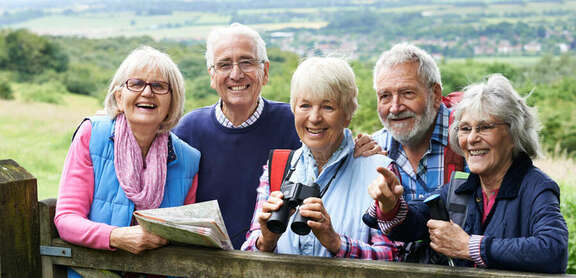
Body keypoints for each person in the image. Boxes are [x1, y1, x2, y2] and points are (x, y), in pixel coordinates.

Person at [173, 23, 379, 249]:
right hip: (205, 264)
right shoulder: (189, 130)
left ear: (265, 71)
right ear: (212, 75)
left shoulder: (297, 123)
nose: (236, 74)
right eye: (224, 65)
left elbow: (334, 143)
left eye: (246, 62)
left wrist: (362, 150)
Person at [367, 74, 568, 273]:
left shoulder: (535, 186)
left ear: (514, 133)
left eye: (484, 127)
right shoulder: (462, 188)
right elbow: (417, 223)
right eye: (464, 128)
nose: (471, 139)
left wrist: (469, 247)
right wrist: (390, 205)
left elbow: (553, 250)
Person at [55, 46, 200, 277]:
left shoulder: (189, 159)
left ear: (173, 102)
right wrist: (117, 237)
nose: (147, 93)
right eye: (136, 83)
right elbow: (67, 219)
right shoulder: (92, 136)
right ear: (120, 97)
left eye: (159, 86)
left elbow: (186, 237)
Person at [241, 57, 399, 261]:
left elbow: (393, 256)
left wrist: (335, 242)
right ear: (293, 109)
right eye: (305, 106)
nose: (314, 118)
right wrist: (266, 240)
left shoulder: (379, 171)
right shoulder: (278, 166)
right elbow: (248, 253)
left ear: (348, 114)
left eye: (328, 107)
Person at [370, 43, 465, 201]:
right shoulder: (371, 151)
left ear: (435, 94)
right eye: (385, 96)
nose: (395, 108)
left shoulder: (469, 140)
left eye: (407, 93)